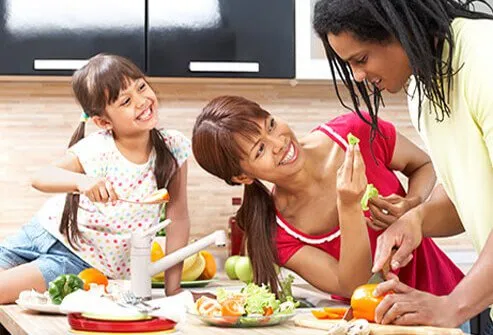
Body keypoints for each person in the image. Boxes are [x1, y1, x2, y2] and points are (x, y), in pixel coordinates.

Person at [313, 0, 493, 329]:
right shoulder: (422, 90)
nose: (358, 76)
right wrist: (417, 220)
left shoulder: (485, 58)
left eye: (361, 59)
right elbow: (468, 193)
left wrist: (452, 306)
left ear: (400, 27)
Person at [192, 95, 463, 302]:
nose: (279, 143)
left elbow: (424, 165)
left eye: (271, 125)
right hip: (368, 327)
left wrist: (411, 204)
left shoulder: (354, 132)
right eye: (260, 149)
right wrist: (348, 206)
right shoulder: (278, 232)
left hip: (448, 301)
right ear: (242, 177)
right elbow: (351, 285)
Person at [0, 54, 191, 303]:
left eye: (141, 87)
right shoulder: (97, 148)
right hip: (41, 233)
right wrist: (83, 182)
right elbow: (40, 177)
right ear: (103, 121)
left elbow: (178, 217)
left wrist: (172, 289)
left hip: (78, 261)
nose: (142, 101)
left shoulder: (173, 147)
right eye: (126, 101)